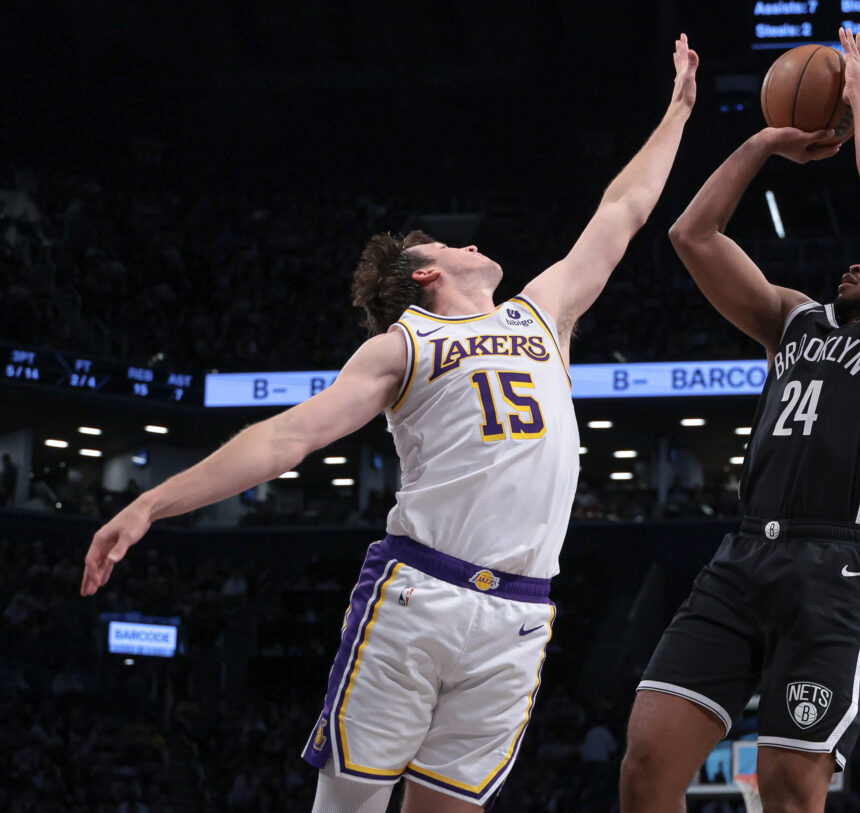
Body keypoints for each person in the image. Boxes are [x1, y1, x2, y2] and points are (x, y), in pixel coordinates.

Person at [82, 34, 699, 813]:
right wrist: (148, 503)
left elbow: (624, 209)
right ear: (427, 274)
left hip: (520, 611)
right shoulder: (404, 343)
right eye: (450, 242)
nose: (473, 240)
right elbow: (286, 437)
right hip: (419, 595)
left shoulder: (543, 313)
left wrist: (677, 110)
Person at [620, 28, 860, 812]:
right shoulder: (795, 320)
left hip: (832, 566)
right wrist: (765, 141)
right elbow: (693, 234)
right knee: (647, 761)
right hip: (744, 551)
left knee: (786, 787)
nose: (858, 260)